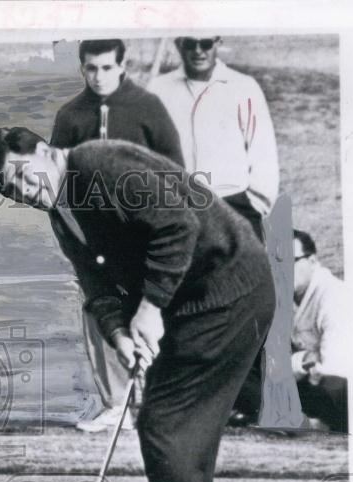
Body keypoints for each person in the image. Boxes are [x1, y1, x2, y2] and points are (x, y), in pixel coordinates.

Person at [0, 129, 275, 482]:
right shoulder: (60, 208)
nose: (24, 191)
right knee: (182, 429)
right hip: (204, 296)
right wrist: (117, 334)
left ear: (43, 151)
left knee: (164, 423)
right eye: (13, 192)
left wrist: (151, 308)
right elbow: (93, 279)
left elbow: (178, 225)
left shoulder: (100, 164)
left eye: (20, 174)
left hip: (225, 289)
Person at [51, 38, 183, 434]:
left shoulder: (148, 108)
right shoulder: (71, 115)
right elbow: (57, 178)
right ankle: (116, 404)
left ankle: (162, 404)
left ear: (122, 66)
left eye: (107, 68)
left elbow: (174, 171)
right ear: (82, 68)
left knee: (154, 312)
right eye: (91, 68)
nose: (99, 76)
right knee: (102, 311)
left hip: (144, 231)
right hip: (96, 235)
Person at [150, 37, 280, 424]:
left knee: (245, 303)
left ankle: (252, 401)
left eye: (206, 42)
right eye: (189, 43)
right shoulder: (159, 90)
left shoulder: (243, 87)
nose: (198, 50)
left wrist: (253, 204)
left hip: (234, 204)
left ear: (218, 41)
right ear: (177, 44)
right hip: (181, 210)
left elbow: (262, 151)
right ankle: (200, 399)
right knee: (189, 306)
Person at [291, 229, 348, 432]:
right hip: (309, 380)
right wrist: (302, 361)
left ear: (313, 261)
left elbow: (333, 367)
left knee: (333, 386)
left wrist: (296, 363)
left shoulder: (334, 296)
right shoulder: (282, 297)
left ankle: (321, 422)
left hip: (347, 387)